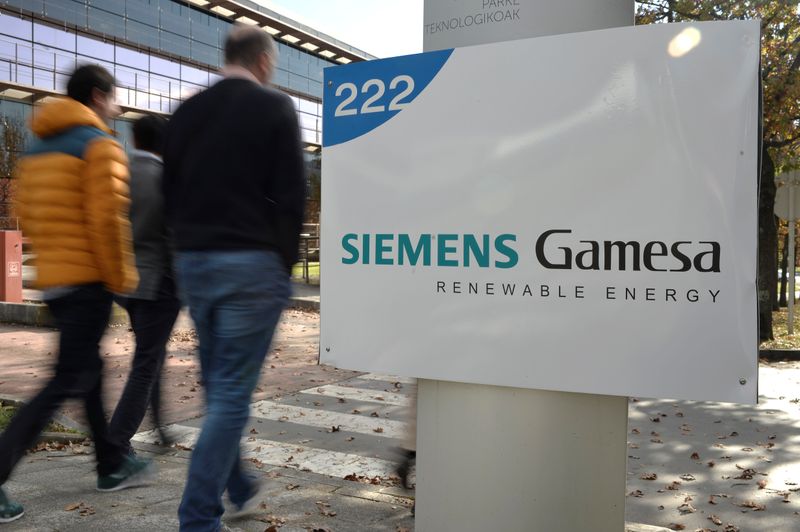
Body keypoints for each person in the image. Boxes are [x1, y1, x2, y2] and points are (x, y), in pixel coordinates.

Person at [162, 25, 306, 531]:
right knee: (229, 396)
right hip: (251, 264)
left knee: (221, 386)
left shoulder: (184, 114)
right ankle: (198, 518)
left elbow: (169, 195)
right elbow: (292, 196)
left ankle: (239, 484)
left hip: (195, 263)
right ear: (264, 62)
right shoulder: (275, 108)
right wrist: (280, 266)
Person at [0, 64, 152, 524]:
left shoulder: (35, 146)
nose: (118, 106)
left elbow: (24, 210)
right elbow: (108, 221)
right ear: (96, 95)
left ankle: (110, 463)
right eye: (113, 97)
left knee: (89, 368)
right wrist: (121, 278)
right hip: (88, 278)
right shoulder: (99, 144)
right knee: (66, 377)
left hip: (56, 279)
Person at [108, 114, 181, 455]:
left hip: (127, 283)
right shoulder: (164, 179)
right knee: (147, 363)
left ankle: (159, 427)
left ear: (134, 139)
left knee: (150, 356)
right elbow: (174, 237)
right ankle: (118, 442)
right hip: (159, 284)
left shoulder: (119, 173)